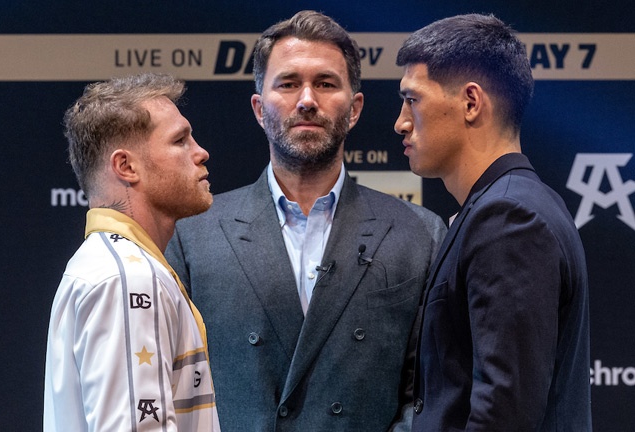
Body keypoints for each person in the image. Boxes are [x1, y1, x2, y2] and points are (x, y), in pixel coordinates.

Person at [165, 10, 446, 432]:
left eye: (326, 83)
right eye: (289, 83)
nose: (307, 100)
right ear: (260, 108)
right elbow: (172, 389)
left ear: (354, 109)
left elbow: (429, 394)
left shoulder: (421, 233)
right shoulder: (192, 232)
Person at [394, 14, 591, 430]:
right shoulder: (509, 206)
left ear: (470, 102)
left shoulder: (508, 218)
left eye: (412, 99)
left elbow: (504, 415)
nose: (401, 122)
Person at [43, 72, 221, 431]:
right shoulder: (129, 277)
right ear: (126, 166)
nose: (201, 152)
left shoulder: (108, 265)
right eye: (180, 140)